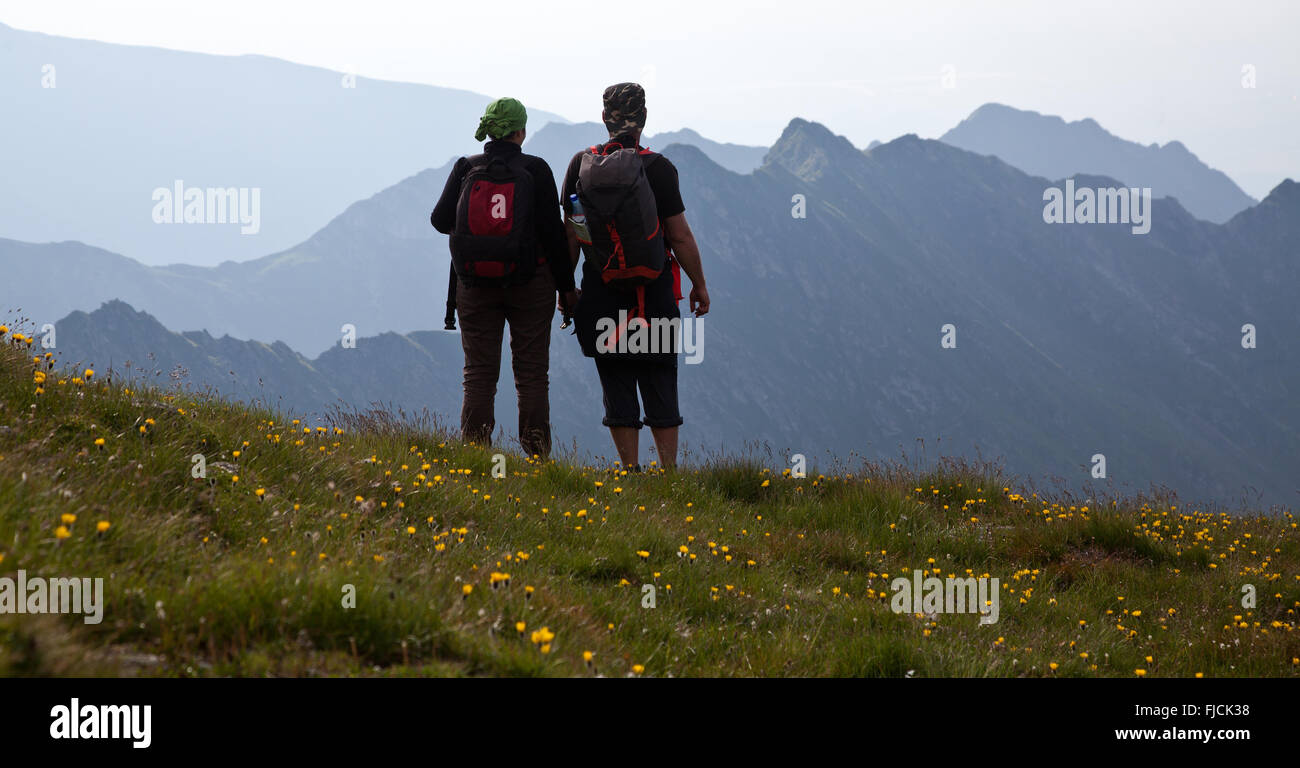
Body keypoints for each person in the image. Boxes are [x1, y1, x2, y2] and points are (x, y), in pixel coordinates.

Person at [560, 83, 710, 470]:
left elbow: (573, 235)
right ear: (643, 119)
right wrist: (700, 284)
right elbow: (679, 235)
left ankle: (629, 471)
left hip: (601, 291)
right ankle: (669, 473)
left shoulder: (580, 165)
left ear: (605, 118)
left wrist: (567, 289)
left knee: (616, 379)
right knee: (659, 377)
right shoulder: (657, 168)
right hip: (653, 295)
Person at [431, 97, 575, 458]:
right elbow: (555, 237)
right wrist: (567, 289)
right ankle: (537, 458)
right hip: (532, 285)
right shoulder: (536, 170)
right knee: (531, 374)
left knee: (478, 373)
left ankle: (477, 457)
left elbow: (438, 220)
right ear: (520, 131)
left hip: (475, 285)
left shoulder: (466, 167)